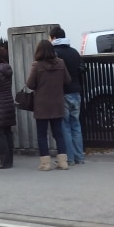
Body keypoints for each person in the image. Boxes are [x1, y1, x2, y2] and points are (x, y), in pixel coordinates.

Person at [26, 39, 71, 171]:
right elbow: (67, 80)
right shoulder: (61, 63)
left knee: (42, 135)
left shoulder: (37, 65)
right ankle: (63, 162)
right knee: (59, 134)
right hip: (57, 102)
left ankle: (45, 164)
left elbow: (30, 84)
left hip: (41, 104)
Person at [50, 26, 85, 165]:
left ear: (53, 38)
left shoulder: (55, 53)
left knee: (65, 126)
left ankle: (68, 158)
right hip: (76, 92)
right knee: (76, 125)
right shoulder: (74, 52)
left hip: (63, 92)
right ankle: (79, 157)